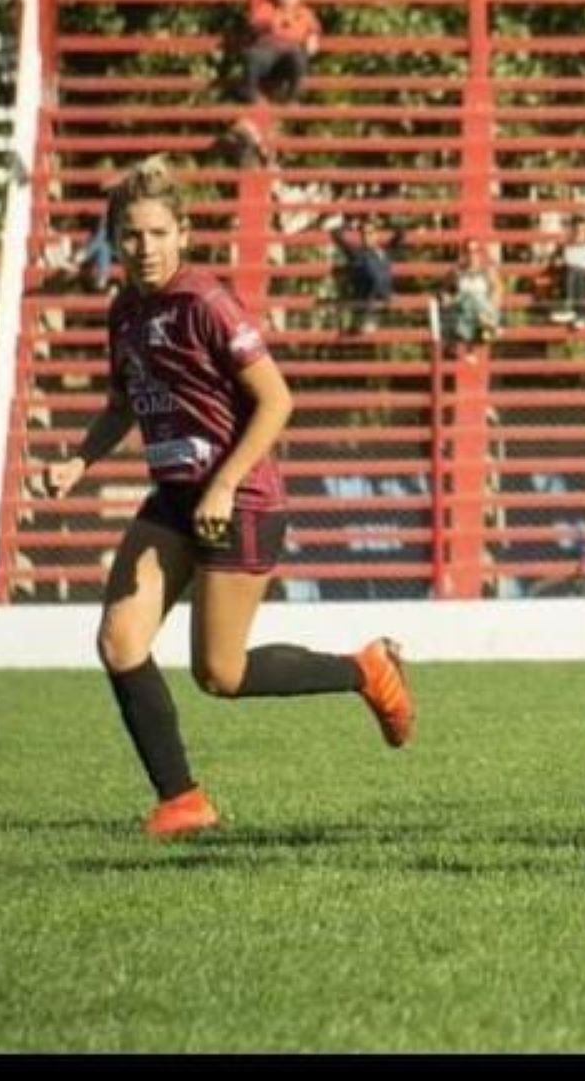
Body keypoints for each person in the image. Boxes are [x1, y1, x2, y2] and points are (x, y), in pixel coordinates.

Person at [37, 159, 416, 839]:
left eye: (157, 232)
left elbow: (277, 400)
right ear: (116, 240)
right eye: (131, 235)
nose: (144, 247)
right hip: (176, 496)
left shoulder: (206, 302)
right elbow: (121, 404)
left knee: (221, 672)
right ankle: (182, 800)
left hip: (240, 499)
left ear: (182, 233)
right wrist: (77, 460)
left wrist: (224, 480)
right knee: (119, 640)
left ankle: (366, 668)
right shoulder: (124, 311)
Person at [236, 0, 322, 105]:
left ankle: (292, 98)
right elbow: (254, 24)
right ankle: (251, 93)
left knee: (299, 58)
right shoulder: (268, 8)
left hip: (289, 55)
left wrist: (313, 36)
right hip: (268, 51)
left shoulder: (305, 13)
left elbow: (315, 27)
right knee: (252, 56)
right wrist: (268, 25)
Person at [442, 237, 501, 347]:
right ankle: (468, 338)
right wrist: (447, 298)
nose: (472, 255)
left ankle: (475, 334)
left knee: (477, 300)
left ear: (480, 252)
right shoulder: (456, 271)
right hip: (462, 312)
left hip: (483, 312)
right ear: (464, 253)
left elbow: (497, 291)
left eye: (475, 251)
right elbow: (446, 290)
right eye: (468, 251)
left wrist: (492, 307)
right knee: (467, 299)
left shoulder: (488, 271)